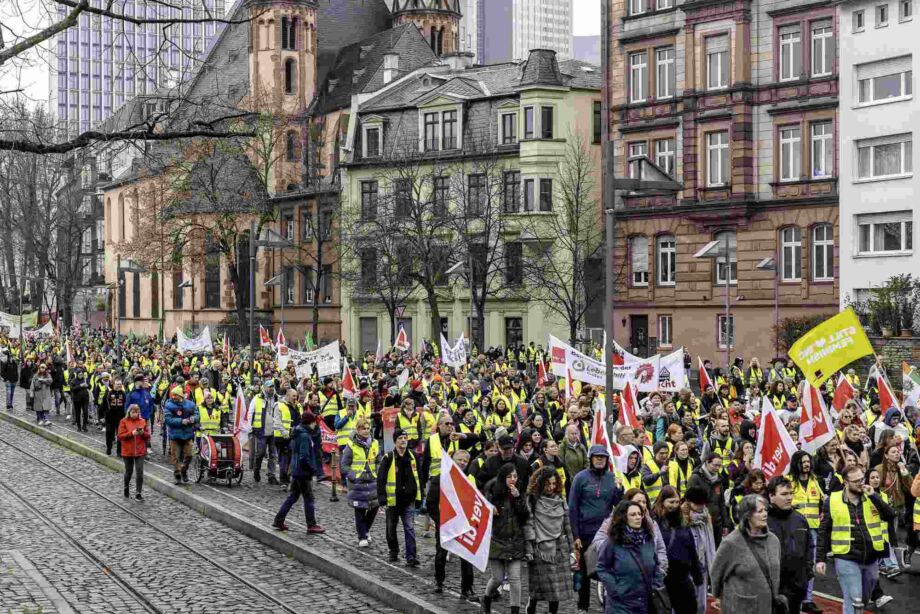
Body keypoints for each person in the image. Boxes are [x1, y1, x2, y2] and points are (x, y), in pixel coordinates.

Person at [815, 464, 896, 614]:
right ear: (846, 482)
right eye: (856, 481)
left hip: (871, 558)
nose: (862, 483)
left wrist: (874, 497)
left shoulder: (872, 496)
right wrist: (820, 558)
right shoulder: (832, 501)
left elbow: (890, 515)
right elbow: (824, 531)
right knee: (854, 600)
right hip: (846, 557)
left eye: (862, 478)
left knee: (863, 599)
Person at [568, 444, 623, 613]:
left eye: (603, 457)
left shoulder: (611, 477)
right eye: (597, 456)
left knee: (607, 569)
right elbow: (572, 508)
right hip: (585, 532)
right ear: (591, 459)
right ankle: (583, 606)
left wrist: (620, 490)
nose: (600, 459)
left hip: (605, 533)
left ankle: (608, 604)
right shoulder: (580, 478)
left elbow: (617, 504)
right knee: (584, 571)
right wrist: (575, 535)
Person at [711, 494, 783, 614]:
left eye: (765, 510)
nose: (765, 514)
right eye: (759, 511)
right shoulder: (732, 542)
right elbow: (716, 573)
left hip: (767, 607)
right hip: (740, 608)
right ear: (747, 515)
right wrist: (722, 598)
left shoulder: (773, 541)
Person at [596, 499, 664, 614]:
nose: (638, 517)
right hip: (621, 605)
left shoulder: (648, 539)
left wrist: (655, 584)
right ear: (624, 517)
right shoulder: (613, 542)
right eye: (633, 514)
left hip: (645, 603)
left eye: (639, 514)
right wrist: (616, 589)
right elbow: (602, 567)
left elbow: (656, 564)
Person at [523, 465, 574, 614]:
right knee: (540, 586)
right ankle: (531, 606)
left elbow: (567, 524)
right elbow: (529, 525)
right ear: (540, 483)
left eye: (553, 483)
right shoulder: (532, 500)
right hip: (540, 548)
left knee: (556, 590)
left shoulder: (560, 500)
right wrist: (530, 549)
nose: (551, 487)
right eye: (547, 484)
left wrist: (572, 549)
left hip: (559, 548)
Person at [425, 449, 475, 599]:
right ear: (453, 460)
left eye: (465, 461)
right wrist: (440, 521)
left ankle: (467, 588)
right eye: (459, 460)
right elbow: (431, 503)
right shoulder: (440, 478)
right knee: (441, 555)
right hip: (445, 524)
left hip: (463, 525)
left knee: (466, 558)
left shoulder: (469, 479)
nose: (462, 463)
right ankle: (438, 581)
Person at [481, 463, 530, 614]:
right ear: (503, 477)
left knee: (515, 579)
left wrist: (518, 499)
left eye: (515, 476)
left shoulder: (520, 492)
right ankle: (486, 598)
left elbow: (525, 516)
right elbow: (482, 509)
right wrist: (489, 508)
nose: (513, 479)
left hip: (515, 541)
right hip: (496, 541)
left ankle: (515, 611)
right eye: (509, 476)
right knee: (497, 578)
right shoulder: (492, 490)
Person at [766, 476, 815, 614]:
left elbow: (809, 547)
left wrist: (807, 572)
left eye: (790, 493)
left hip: (796, 586)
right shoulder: (763, 520)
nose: (789, 497)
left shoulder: (800, 519)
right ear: (771, 496)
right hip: (771, 587)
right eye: (783, 494)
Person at [272, 410, 326, 534]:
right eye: (314, 423)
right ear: (309, 423)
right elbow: (304, 456)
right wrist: (312, 469)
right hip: (303, 472)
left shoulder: (298, 432)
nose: (315, 426)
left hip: (296, 470)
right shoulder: (304, 436)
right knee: (309, 498)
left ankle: (278, 520)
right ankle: (311, 524)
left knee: (293, 496)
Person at [652, 486, 702, 614]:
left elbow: (691, 550)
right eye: (671, 502)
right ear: (662, 501)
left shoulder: (682, 522)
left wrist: (697, 575)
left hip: (683, 578)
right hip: (664, 578)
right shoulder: (654, 522)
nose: (674, 505)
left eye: (677, 502)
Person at [377, 428, 420, 567]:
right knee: (391, 527)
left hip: (408, 500)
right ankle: (393, 551)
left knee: (409, 528)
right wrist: (382, 499)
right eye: (400, 438)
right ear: (395, 441)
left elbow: (419, 477)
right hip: (393, 500)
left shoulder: (413, 456)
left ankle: (411, 556)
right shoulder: (388, 458)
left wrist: (419, 497)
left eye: (405, 438)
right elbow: (381, 479)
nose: (403, 440)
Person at [341, 416, 380, 547]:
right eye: (364, 428)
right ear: (358, 430)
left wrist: (378, 472)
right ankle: (362, 536)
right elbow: (344, 465)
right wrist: (354, 476)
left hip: (372, 481)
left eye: (368, 428)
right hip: (358, 483)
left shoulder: (374, 443)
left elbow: (379, 460)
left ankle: (366, 530)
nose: (366, 431)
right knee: (360, 510)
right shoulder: (351, 445)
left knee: (374, 507)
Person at [688, 452, 728, 546]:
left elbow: (721, 502)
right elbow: (689, 500)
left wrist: (725, 524)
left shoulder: (718, 480)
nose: (717, 468)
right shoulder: (695, 478)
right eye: (715, 465)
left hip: (717, 522)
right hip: (701, 522)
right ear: (707, 463)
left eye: (719, 466)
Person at [164, 386, 199, 484]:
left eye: (175, 395)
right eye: (173, 395)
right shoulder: (169, 405)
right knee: (175, 456)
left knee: (189, 455)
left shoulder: (190, 404)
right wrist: (181, 421)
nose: (173, 396)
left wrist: (194, 419)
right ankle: (177, 474)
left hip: (187, 434)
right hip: (175, 435)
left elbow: (197, 414)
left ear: (181, 395)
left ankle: (183, 471)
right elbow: (168, 419)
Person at [117, 403, 150, 501]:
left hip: (140, 451)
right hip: (128, 452)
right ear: (129, 412)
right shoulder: (123, 421)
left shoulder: (143, 421)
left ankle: (138, 493)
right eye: (133, 412)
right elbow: (120, 436)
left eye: (137, 412)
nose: (135, 414)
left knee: (140, 472)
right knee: (129, 472)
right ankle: (126, 486)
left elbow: (148, 436)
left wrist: (142, 433)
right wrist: (131, 433)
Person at [103, 377, 127, 454]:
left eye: (120, 384)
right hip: (110, 417)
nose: (119, 385)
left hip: (120, 417)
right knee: (109, 433)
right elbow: (103, 404)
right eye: (117, 384)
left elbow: (126, 405)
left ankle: (119, 451)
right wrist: (101, 416)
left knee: (120, 434)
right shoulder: (109, 393)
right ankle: (109, 448)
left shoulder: (123, 394)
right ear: (113, 384)